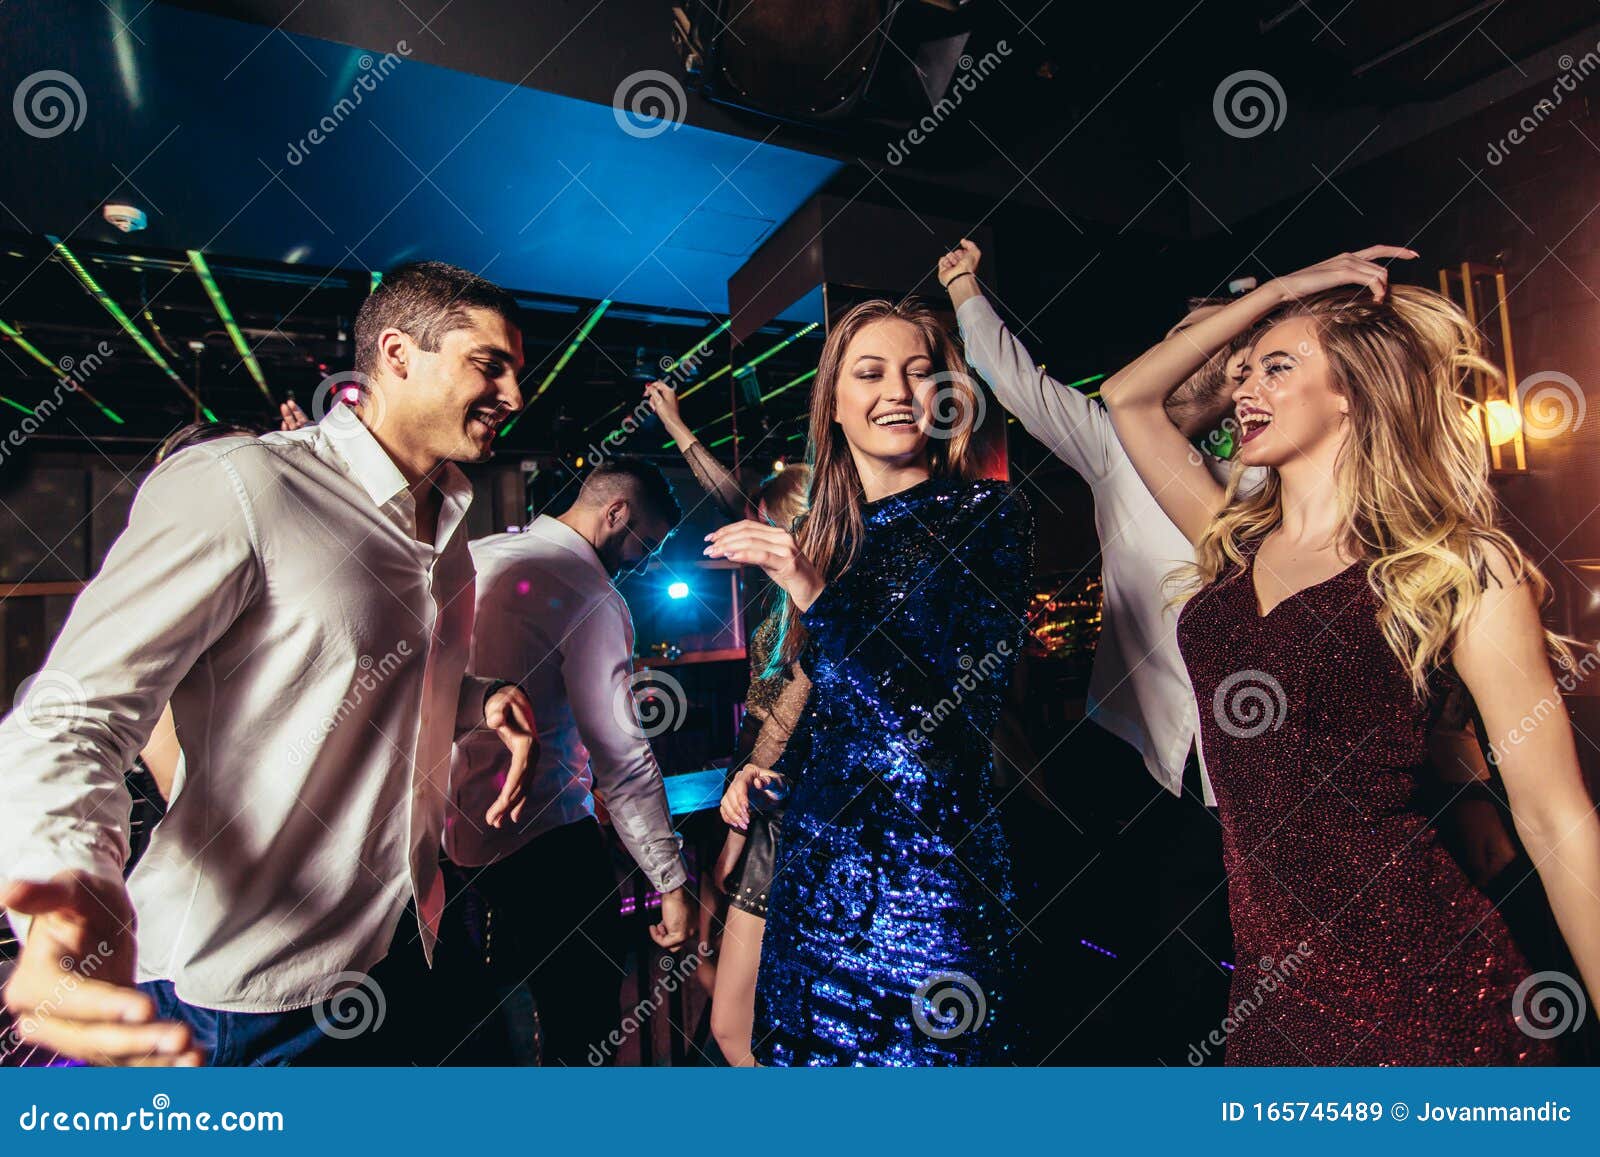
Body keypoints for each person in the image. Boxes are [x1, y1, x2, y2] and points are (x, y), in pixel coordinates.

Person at [0, 261, 539, 1067]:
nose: (515, 396)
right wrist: (70, 884)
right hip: (251, 998)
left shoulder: (454, 519)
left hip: (413, 942)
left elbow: (366, 671)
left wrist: (478, 698)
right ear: (395, 353)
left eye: (516, 372)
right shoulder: (245, 485)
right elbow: (75, 712)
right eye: (488, 364)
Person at [1102, 245, 1600, 1064]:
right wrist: (1288, 289)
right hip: (1271, 999)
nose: (1242, 389)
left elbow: (1554, 816)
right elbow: (1130, 396)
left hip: (1425, 996)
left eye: (1276, 368)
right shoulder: (1229, 543)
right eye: (1243, 372)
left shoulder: (1455, 566)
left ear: (1350, 394)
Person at [939, 240, 1254, 1061]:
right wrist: (967, 287)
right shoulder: (1113, 443)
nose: (1179, 352)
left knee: (1265, 953)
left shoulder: (1270, 470)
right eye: (1179, 336)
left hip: (1261, 755)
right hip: (1144, 749)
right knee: (1163, 953)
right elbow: (1018, 384)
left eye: (1207, 340)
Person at [707, 298, 1034, 1066]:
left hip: (928, 890)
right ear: (835, 403)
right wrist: (763, 770)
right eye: (871, 372)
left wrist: (814, 589)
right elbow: (820, 699)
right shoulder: (829, 537)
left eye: (920, 373)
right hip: (814, 884)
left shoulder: (985, 516)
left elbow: (940, 730)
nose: (897, 390)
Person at [446, 458, 694, 1065]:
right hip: (544, 842)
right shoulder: (591, 594)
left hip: (444, 845)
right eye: (647, 540)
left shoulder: (475, 556)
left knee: (472, 1035)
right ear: (617, 513)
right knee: (581, 1027)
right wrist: (670, 879)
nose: (644, 558)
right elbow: (622, 756)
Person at [645, 373, 816, 1066]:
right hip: (750, 779)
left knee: (732, 1012)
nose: (759, 538)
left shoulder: (822, 598)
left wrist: (750, 774)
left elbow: (796, 696)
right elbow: (731, 499)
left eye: (774, 529)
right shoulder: (773, 590)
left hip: (779, 787)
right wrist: (679, 428)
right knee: (715, 970)